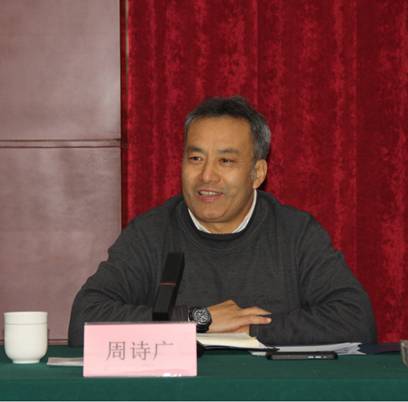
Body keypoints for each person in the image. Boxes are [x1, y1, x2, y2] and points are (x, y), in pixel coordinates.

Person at [68, 96, 376, 346]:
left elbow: (356, 320)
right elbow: (84, 321)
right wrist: (199, 320)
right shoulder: (151, 233)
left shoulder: (295, 233)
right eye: (196, 159)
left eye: (226, 161)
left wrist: (250, 329)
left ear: (257, 173)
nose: (207, 176)